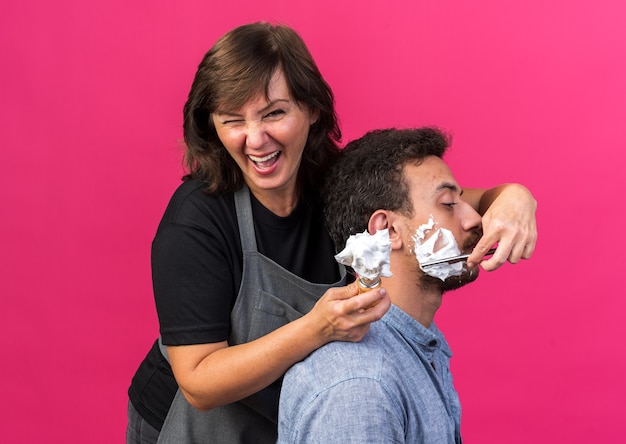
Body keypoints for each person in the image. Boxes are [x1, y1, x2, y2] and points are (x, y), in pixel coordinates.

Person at [126, 23, 537, 444]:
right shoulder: (196, 221)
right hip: (190, 422)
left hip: (290, 412)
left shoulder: (334, 183)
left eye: (274, 113)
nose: (255, 139)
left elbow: (438, 206)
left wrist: (514, 197)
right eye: (233, 120)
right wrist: (317, 328)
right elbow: (199, 382)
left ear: (312, 110)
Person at [277, 127, 511, 443]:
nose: (474, 219)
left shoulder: (416, 346)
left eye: (461, 200)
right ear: (387, 231)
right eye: (448, 203)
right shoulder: (359, 386)